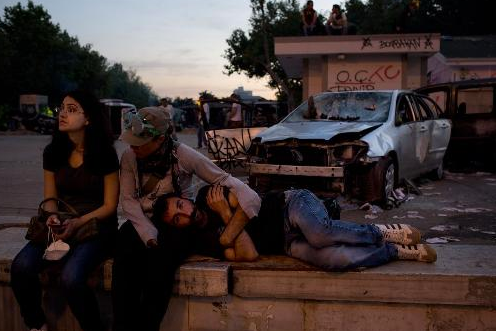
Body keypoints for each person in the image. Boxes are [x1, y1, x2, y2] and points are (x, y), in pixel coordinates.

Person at [112, 107, 261, 331]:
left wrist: (242, 210)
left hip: (175, 222)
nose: (133, 146)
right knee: (124, 259)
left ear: (160, 139)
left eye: (139, 142)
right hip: (143, 220)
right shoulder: (129, 157)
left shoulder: (183, 155)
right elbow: (129, 202)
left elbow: (226, 180)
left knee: (160, 267)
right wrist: (149, 235)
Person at [11, 90, 120, 331]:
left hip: (96, 226)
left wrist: (78, 223)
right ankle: (36, 324)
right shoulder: (53, 152)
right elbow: (50, 198)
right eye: (62, 108)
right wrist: (51, 217)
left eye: (71, 109)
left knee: (71, 278)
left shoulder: (105, 154)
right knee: (21, 267)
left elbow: (110, 206)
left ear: (89, 118)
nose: (62, 114)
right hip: (61, 223)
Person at [155, 185, 437, 271]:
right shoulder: (204, 242)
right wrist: (229, 217)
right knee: (334, 260)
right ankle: (395, 251)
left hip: (291, 204)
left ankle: (382, 232)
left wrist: (227, 231)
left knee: (319, 234)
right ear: (176, 228)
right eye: (177, 219)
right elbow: (250, 254)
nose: (187, 213)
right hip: (286, 244)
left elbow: (249, 202)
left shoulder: (208, 194)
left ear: (184, 199)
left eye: (181, 205)